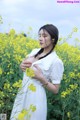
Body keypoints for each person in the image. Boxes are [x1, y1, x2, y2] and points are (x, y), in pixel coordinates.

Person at [10, 24, 64, 120]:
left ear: (53, 39)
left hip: (36, 98)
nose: (40, 38)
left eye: (44, 36)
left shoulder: (56, 61)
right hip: (22, 92)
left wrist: (41, 78)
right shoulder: (34, 51)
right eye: (39, 35)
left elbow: (56, 90)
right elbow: (24, 67)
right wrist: (21, 66)